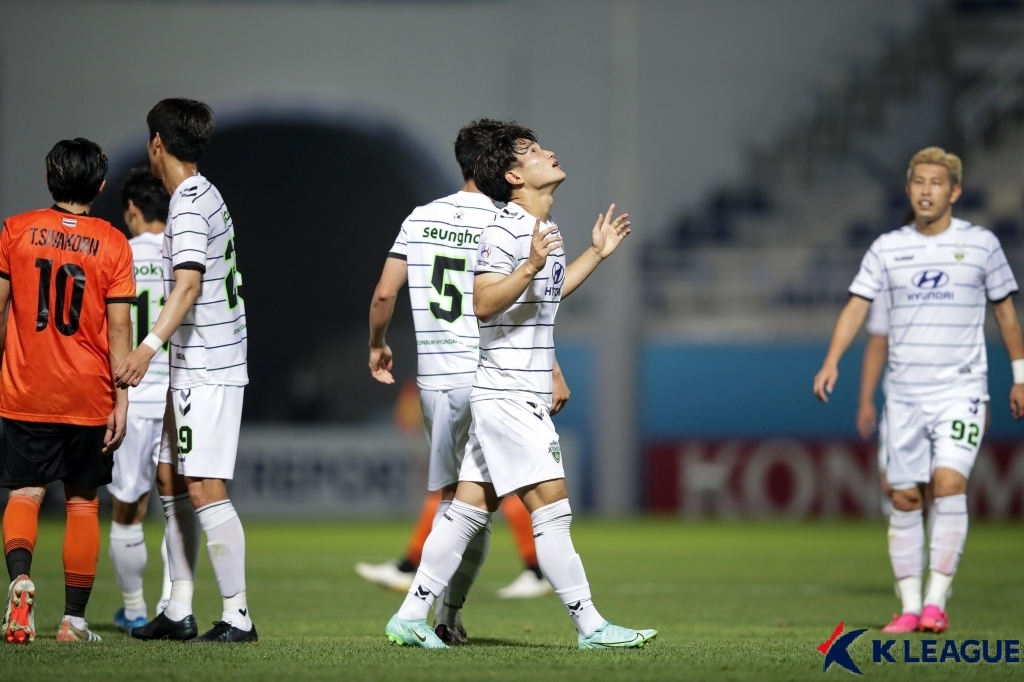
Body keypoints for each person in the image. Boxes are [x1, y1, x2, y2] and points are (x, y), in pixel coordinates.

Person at [384, 123, 657, 649]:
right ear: (514, 175)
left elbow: (548, 294)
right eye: (534, 152)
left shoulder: (540, 229)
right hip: (508, 395)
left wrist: (595, 254)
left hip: (511, 393)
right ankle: (591, 626)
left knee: (467, 509)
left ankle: (410, 615)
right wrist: (530, 263)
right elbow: (483, 302)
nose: (549, 152)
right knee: (552, 509)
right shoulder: (507, 230)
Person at [359, 120, 565, 622]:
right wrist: (552, 368)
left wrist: (377, 345)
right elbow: (524, 307)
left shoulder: (421, 217)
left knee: (462, 501)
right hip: (490, 372)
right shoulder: (508, 221)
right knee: (475, 506)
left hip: (435, 381)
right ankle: (444, 614)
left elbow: (385, 293)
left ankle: (429, 601)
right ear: (489, 165)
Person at [813, 146, 1024, 634]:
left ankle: (936, 601)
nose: (926, 190)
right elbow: (857, 308)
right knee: (905, 498)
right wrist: (831, 361)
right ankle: (909, 606)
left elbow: (1006, 314)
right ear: (908, 190)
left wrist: (1019, 377)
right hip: (904, 395)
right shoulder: (888, 248)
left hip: (960, 389)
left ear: (955, 192)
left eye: (936, 183)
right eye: (918, 182)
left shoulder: (982, 245)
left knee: (949, 484)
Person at [115, 98, 256, 643]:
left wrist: (147, 348)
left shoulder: (191, 202)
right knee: (171, 479)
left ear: (157, 143)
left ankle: (238, 615)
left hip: (209, 365)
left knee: (204, 486)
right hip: (197, 363)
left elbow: (189, 285)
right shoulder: (197, 196)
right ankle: (178, 608)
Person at [1, 138, 135, 643]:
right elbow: (119, 330)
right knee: (82, 502)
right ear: (100, 186)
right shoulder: (113, 242)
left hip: (26, 386)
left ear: (49, 179)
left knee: (26, 492)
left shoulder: (15, 231)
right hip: (88, 391)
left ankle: (20, 581)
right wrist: (121, 397)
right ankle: (73, 622)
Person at [107, 169, 174, 633]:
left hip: (131, 394)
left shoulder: (120, 256)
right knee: (179, 506)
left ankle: (133, 608)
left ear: (132, 210)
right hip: (178, 394)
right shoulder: (182, 255)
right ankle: (175, 605)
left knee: (127, 508)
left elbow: (108, 327)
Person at [856, 298, 892, 516]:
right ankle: (907, 550)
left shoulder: (960, 273)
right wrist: (865, 400)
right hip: (902, 398)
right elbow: (878, 341)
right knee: (892, 487)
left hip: (952, 396)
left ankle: (941, 551)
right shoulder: (891, 269)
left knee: (946, 485)